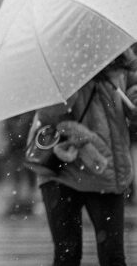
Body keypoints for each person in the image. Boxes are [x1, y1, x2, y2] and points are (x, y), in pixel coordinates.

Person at [30, 49, 137, 266]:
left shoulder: (118, 54)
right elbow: (47, 114)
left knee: (113, 257)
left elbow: (132, 91)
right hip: (62, 171)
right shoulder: (56, 56)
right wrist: (76, 78)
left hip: (107, 169)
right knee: (67, 256)